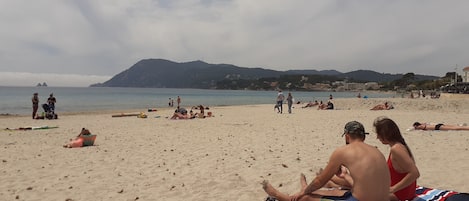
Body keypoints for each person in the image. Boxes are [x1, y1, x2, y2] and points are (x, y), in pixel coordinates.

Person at [262, 121, 390, 201]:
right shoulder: (377, 151)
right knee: (334, 191)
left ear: (347, 136)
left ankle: (280, 197)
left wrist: (303, 191)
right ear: (363, 136)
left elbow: (319, 180)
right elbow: (367, 183)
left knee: (307, 197)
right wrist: (345, 175)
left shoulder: (343, 151)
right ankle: (303, 188)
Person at [374, 117, 420, 201]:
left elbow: (415, 173)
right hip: (404, 193)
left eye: (378, 134)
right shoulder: (400, 145)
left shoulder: (396, 149)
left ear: (385, 134)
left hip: (399, 196)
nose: (377, 137)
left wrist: (393, 189)